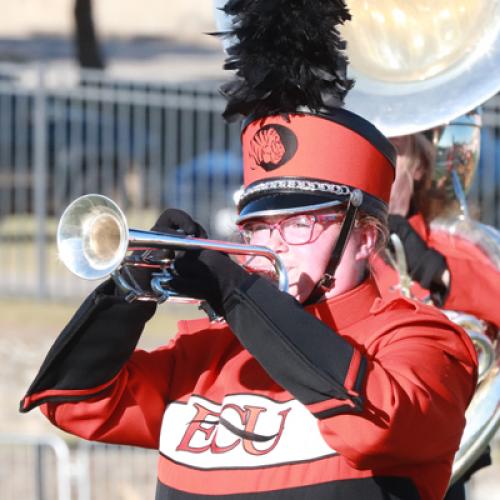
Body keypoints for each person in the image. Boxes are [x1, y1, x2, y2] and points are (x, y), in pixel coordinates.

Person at [21, 1, 477, 499]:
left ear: (365, 237)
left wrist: (238, 294)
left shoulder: (424, 341)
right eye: (257, 226)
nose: (272, 242)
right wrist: (128, 290)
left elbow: (376, 424)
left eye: (299, 222)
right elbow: (72, 402)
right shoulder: (205, 352)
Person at [371, 130, 499, 500]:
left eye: (394, 148)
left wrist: (441, 273)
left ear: (422, 166)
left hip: (440, 467)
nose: (379, 160)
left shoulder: (455, 247)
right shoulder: (327, 247)